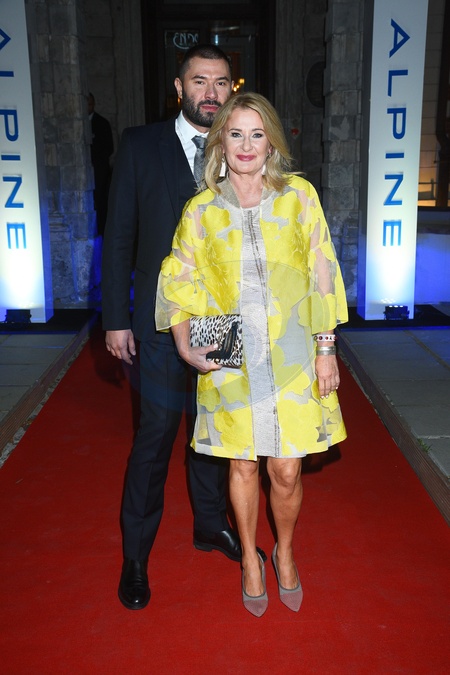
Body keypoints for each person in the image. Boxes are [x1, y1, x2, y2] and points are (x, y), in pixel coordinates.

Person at [156, 92, 348, 617]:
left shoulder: (299, 197)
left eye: (257, 134)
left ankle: (284, 551)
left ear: (272, 144)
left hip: (293, 354)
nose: (246, 145)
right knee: (241, 465)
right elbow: (177, 278)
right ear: (220, 141)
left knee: (286, 469)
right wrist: (184, 343)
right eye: (235, 133)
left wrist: (326, 347)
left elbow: (323, 272)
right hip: (231, 353)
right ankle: (249, 558)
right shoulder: (200, 210)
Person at [102, 45, 264, 612]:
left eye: (221, 82)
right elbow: (119, 236)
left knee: (214, 432)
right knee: (155, 434)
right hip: (156, 319)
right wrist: (115, 319)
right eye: (199, 81)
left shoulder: (239, 147)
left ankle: (209, 524)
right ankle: (135, 556)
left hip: (221, 317)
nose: (211, 93)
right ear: (179, 87)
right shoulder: (139, 145)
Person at [88, 93, 114, 235]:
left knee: (101, 202)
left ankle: (101, 231)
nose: (88, 107)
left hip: (99, 171)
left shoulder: (102, 123)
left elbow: (109, 147)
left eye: (90, 104)